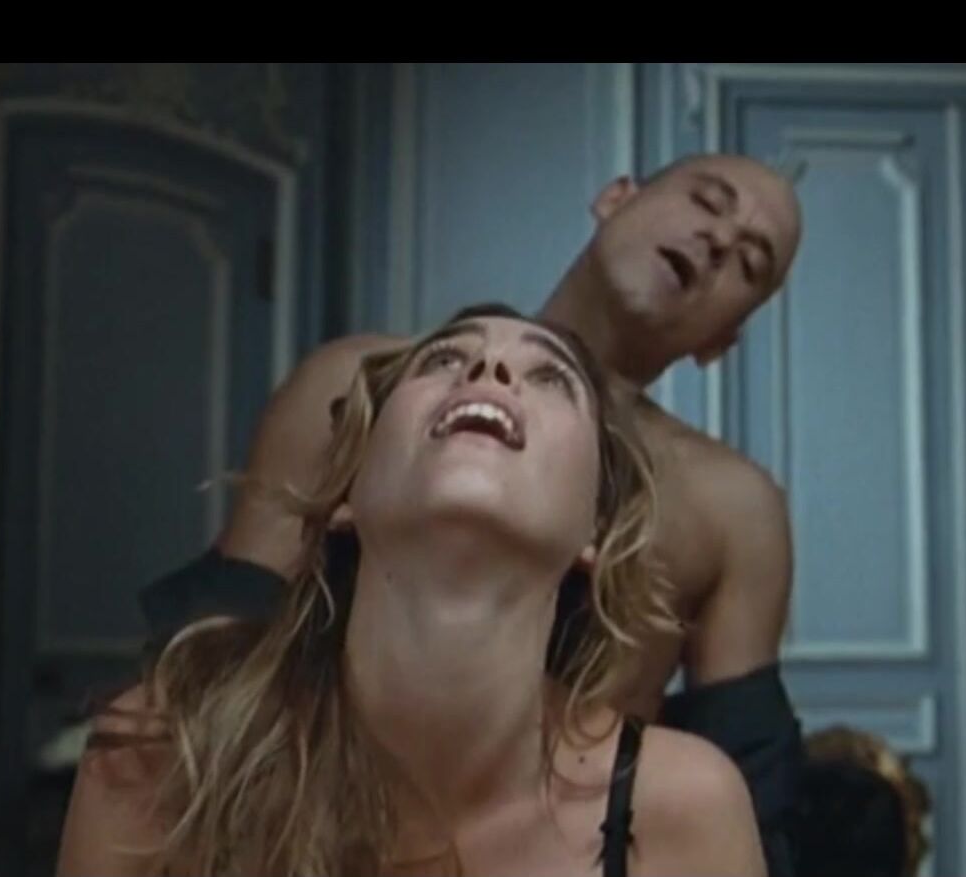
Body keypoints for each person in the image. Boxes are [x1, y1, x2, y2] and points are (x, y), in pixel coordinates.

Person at [140, 153, 807, 874]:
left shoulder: (733, 510)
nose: (719, 240)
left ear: (723, 341)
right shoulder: (359, 388)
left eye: (750, 262)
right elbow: (213, 651)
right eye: (707, 201)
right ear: (615, 197)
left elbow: (754, 789)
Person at [59, 306, 767, 877]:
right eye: (442, 360)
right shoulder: (167, 750)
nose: (489, 370)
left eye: (552, 377)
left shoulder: (680, 810)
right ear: (347, 494)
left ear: (594, 532)